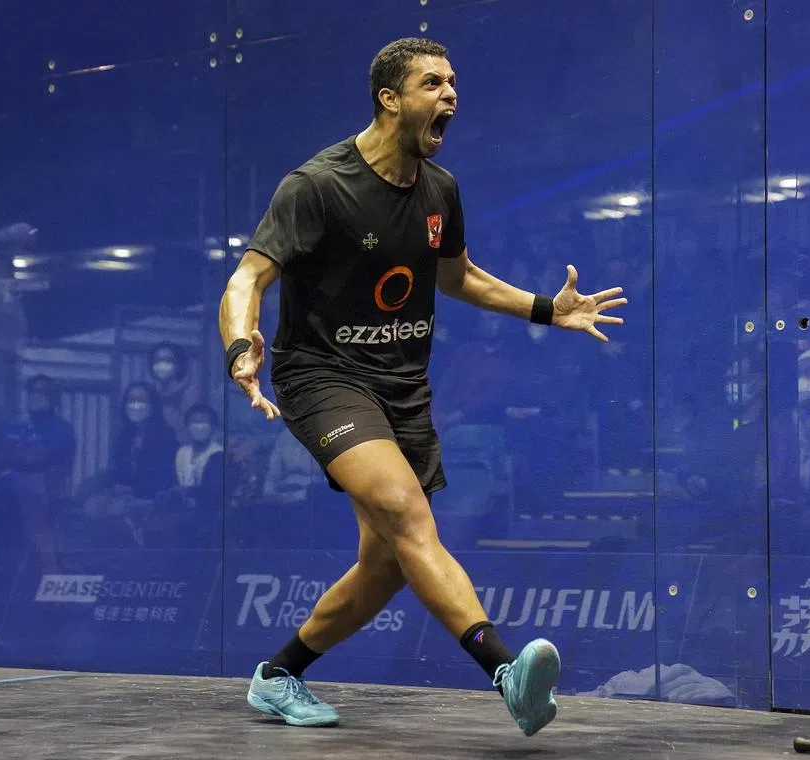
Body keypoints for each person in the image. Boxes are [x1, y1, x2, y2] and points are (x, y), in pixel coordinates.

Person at [217, 37, 627, 736]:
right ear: (390, 98)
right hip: (323, 377)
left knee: (384, 565)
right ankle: (506, 672)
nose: (451, 94)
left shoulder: (441, 190)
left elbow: (456, 275)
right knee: (409, 515)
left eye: (453, 82)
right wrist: (239, 347)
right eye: (433, 83)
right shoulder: (317, 185)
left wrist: (545, 309)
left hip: (403, 387)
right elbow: (247, 277)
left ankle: (278, 674)